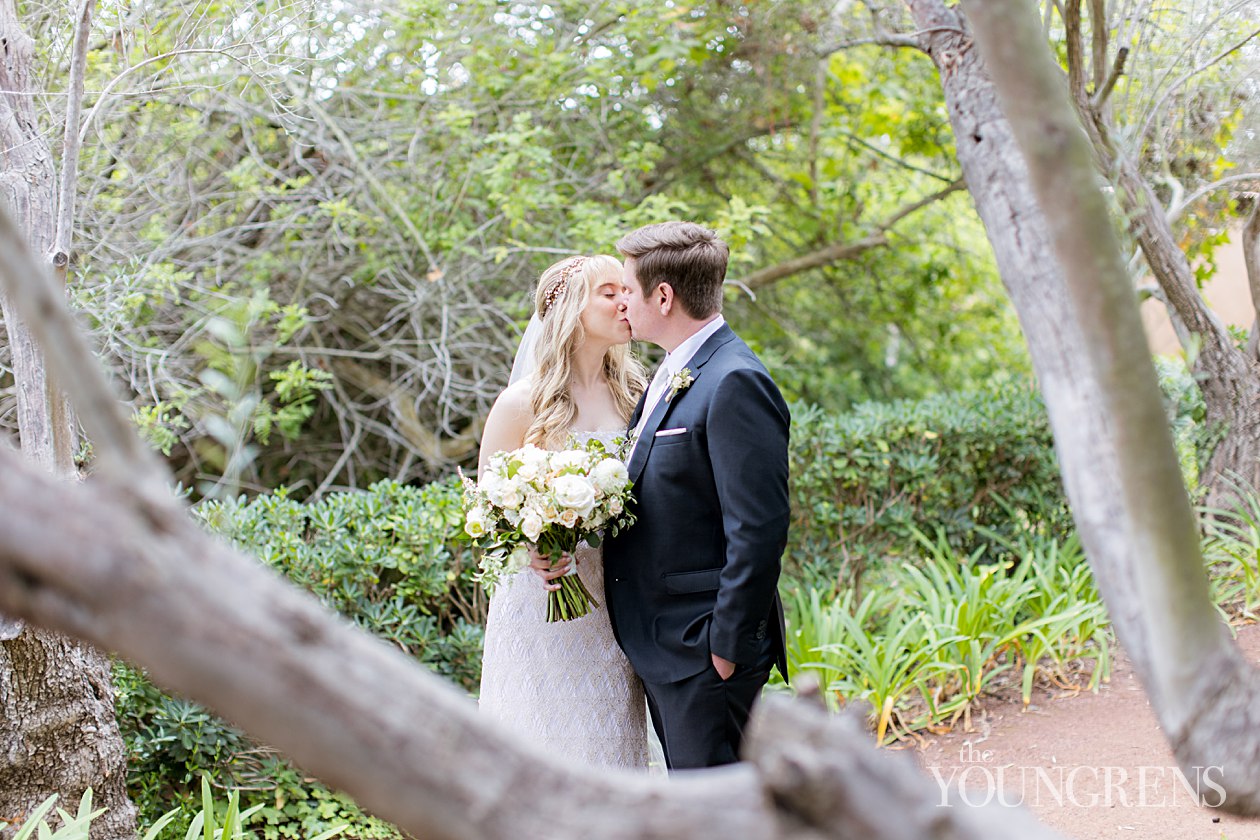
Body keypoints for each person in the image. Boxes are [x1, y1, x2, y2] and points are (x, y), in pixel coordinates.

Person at [601, 221, 791, 770]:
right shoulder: (672, 371)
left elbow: (758, 529)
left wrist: (724, 648)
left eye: (629, 292)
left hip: (703, 649)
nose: (623, 307)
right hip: (665, 645)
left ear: (663, 296)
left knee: (721, 814)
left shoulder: (733, 380)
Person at [476, 254, 651, 770]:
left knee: (609, 741)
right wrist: (534, 549)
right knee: (540, 737)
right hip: (543, 600)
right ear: (573, 308)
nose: (627, 300)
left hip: (617, 599)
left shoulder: (636, 397)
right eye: (610, 291)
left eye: (628, 290)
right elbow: (488, 505)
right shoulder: (521, 404)